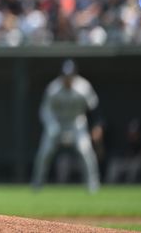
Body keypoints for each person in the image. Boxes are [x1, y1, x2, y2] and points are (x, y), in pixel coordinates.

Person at [31, 59, 101, 193]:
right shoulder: (53, 89)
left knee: (86, 151)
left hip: (76, 124)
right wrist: (51, 125)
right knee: (44, 153)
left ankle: (93, 185)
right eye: (65, 76)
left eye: (70, 76)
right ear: (61, 75)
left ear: (74, 75)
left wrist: (96, 126)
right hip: (57, 123)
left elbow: (94, 107)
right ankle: (37, 185)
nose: (67, 79)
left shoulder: (83, 87)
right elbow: (44, 110)